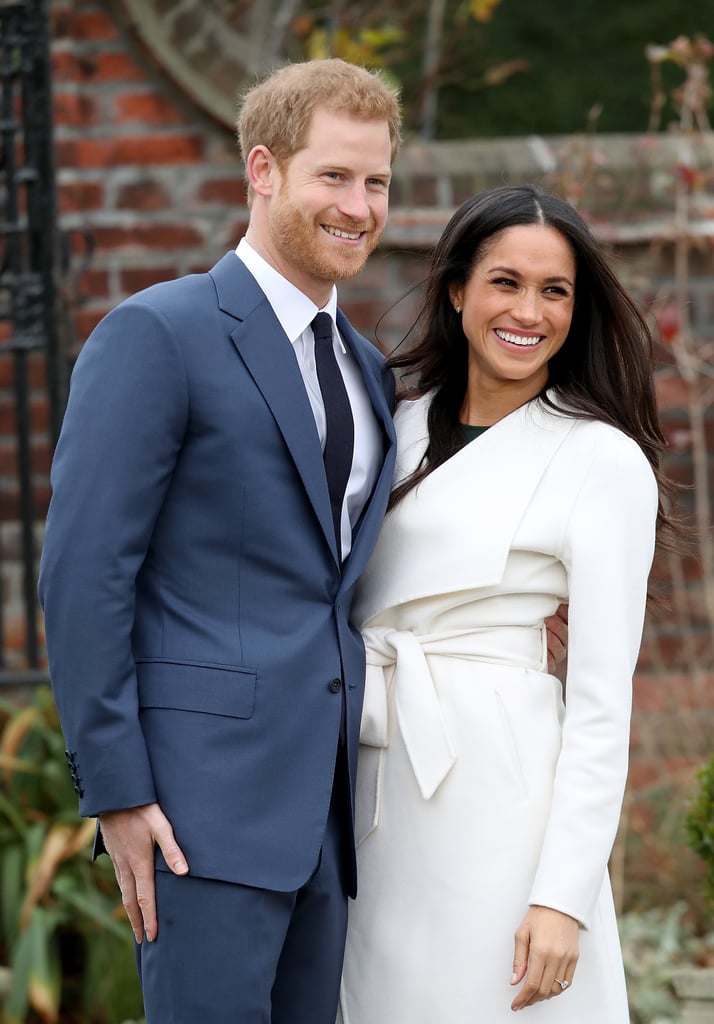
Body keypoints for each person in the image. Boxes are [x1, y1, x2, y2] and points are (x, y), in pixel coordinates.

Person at [38, 58, 402, 1024]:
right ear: (263, 170)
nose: (358, 206)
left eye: (376, 183)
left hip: (328, 814)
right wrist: (117, 791)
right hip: (193, 815)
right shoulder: (158, 333)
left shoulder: (369, 372)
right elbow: (85, 575)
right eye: (333, 176)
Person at [338, 184, 677, 1023]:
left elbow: (601, 706)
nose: (529, 311)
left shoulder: (600, 459)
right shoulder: (393, 426)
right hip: (370, 781)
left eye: (554, 290)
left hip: (502, 802)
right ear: (457, 290)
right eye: (505, 282)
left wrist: (563, 897)